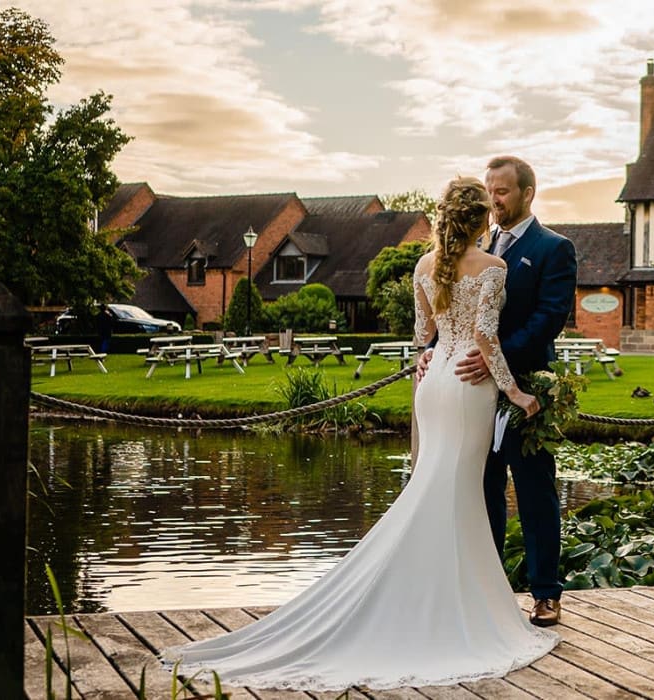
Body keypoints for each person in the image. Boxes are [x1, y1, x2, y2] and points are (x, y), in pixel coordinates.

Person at [162, 177, 557, 691]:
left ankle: (434, 596)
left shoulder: (423, 265)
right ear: (481, 219)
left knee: (437, 490)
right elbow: (483, 340)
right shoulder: (493, 268)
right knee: (455, 494)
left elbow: (422, 339)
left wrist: (427, 357)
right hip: (467, 389)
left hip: (434, 385)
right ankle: (449, 607)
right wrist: (519, 395)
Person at [422, 155, 577, 627]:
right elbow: (451, 308)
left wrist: (493, 359)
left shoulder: (554, 248)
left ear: (528, 193)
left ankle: (546, 593)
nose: (494, 198)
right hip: (467, 391)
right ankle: (487, 593)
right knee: (479, 492)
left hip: (522, 385)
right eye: (490, 189)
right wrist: (434, 349)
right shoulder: (471, 245)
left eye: (503, 190)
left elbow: (548, 319)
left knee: (534, 492)